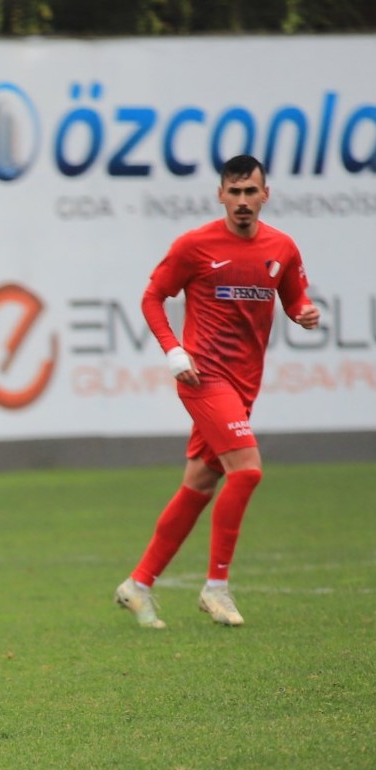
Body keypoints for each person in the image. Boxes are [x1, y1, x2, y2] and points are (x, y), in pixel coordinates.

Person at [115, 154, 320, 629]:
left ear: (265, 194)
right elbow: (151, 297)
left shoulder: (282, 247)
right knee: (246, 471)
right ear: (220, 194)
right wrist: (173, 350)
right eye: (235, 192)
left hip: (245, 381)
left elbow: (294, 299)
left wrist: (305, 312)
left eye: (252, 192)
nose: (243, 201)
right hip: (203, 377)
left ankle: (138, 585)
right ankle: (216, 587)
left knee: (199, 485)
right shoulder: (195, 245)